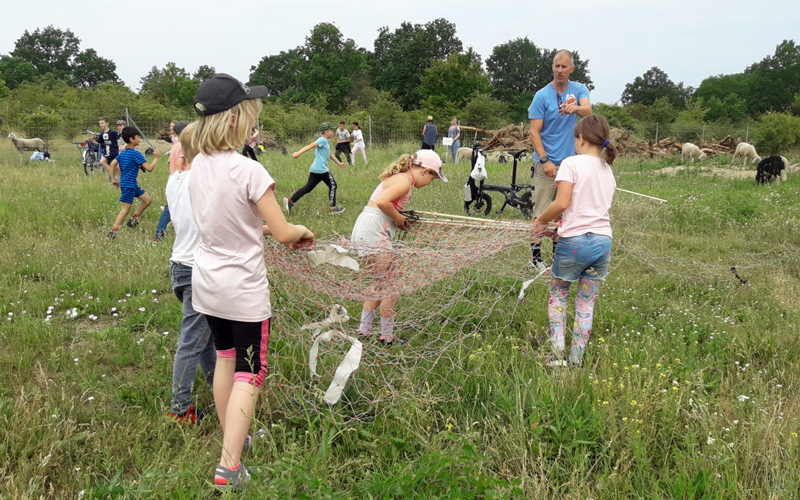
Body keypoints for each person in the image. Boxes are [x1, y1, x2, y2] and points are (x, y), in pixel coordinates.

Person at [185, 73, 315, 492]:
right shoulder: (249, 170)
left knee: (225, 359)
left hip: (207, 285)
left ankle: (232, 440)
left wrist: (262, 231)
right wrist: (301, 231)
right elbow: (281, 231)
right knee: (249, 372)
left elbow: (229, 223)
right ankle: (229, 466)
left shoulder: (198, 166)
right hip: (243, 291)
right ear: (237, 119)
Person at [530, 114, 617, 368]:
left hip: (573, 245)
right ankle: (577, 358)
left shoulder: (571, 163)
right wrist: (562, 227)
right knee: (586, 303)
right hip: (603, 244)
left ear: (580, 138)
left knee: (558, 295)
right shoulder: (607, 170)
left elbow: (562, 202)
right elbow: (591, 210)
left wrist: (540, 222)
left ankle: (557, 356)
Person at [352, 150, 448, 345]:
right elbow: (382, 202)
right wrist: (399, 218)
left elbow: (385, 205)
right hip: (374, 231)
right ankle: (387, 336)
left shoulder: (400, 178)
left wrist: (398, 218)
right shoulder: (404, 182)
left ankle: (364, 329)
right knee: (391, 286)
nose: (430, 183)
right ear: (425, 171)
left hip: (366, 227)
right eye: (432, 178)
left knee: (379, 283)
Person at [164, 121, 216, 424]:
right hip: (199, 270)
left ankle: (215, 388)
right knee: (192, 340)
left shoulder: (175, 180)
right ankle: (180, 409)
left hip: (180, 267)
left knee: (206, 339)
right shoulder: (204, 180)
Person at [528, 49, 592, 275]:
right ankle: (535, 257)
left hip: (570, 163)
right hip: (547, 162)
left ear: (572, 69)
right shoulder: (542, 96)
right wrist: (544, 161)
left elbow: (588, 111)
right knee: (542, 210)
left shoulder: (579, 89)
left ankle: (557, 255)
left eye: (564, 67)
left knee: (563, 212)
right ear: (552, 67)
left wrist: (574, 108)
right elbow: (534, 133)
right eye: (556, 66)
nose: (560, 70)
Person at [106, 126, 161, 239]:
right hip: (129, 185)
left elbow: (112, 164)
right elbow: (149, 168)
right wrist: (156, 158)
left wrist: (114, 179)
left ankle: (133, 219)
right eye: (138, 137)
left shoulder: (123, 153)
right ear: (132, 139)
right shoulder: (136, 154)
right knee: (125, 209)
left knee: (147, 200)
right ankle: (113, 231)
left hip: (130, 184)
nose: (140, 139)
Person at [284, 122, 346, 215]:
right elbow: (310, 145)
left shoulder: (325, 141)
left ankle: (290, 201)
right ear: (326, 131)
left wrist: (339, 163)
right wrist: (298, 153)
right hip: (321, 169)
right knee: (333, 185)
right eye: (332, 131)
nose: (333, 132)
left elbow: (330, 154)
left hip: (315, 169)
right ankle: (332, 209)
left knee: (308, 188)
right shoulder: (322, 140)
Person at [154, 121, 187, 243]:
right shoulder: (184, 145)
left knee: (170, 209)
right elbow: (179, 164)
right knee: (178, 209)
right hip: (180, 179)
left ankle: (159, 235)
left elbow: (170, 161)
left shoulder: (175, 146)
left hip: (172, 179)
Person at [92, 117, 120, 183]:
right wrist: (92, 140)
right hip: (107, 152)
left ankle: (112, 177)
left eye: (102, 123)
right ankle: (124, 177)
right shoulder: (101, 134)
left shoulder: (112, 132)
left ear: (107, 123)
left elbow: (119, 137)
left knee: (102, 161)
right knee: (116, 168)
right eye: (100, 123)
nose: (101, 125)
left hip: (113, 152)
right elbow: (98, 143)